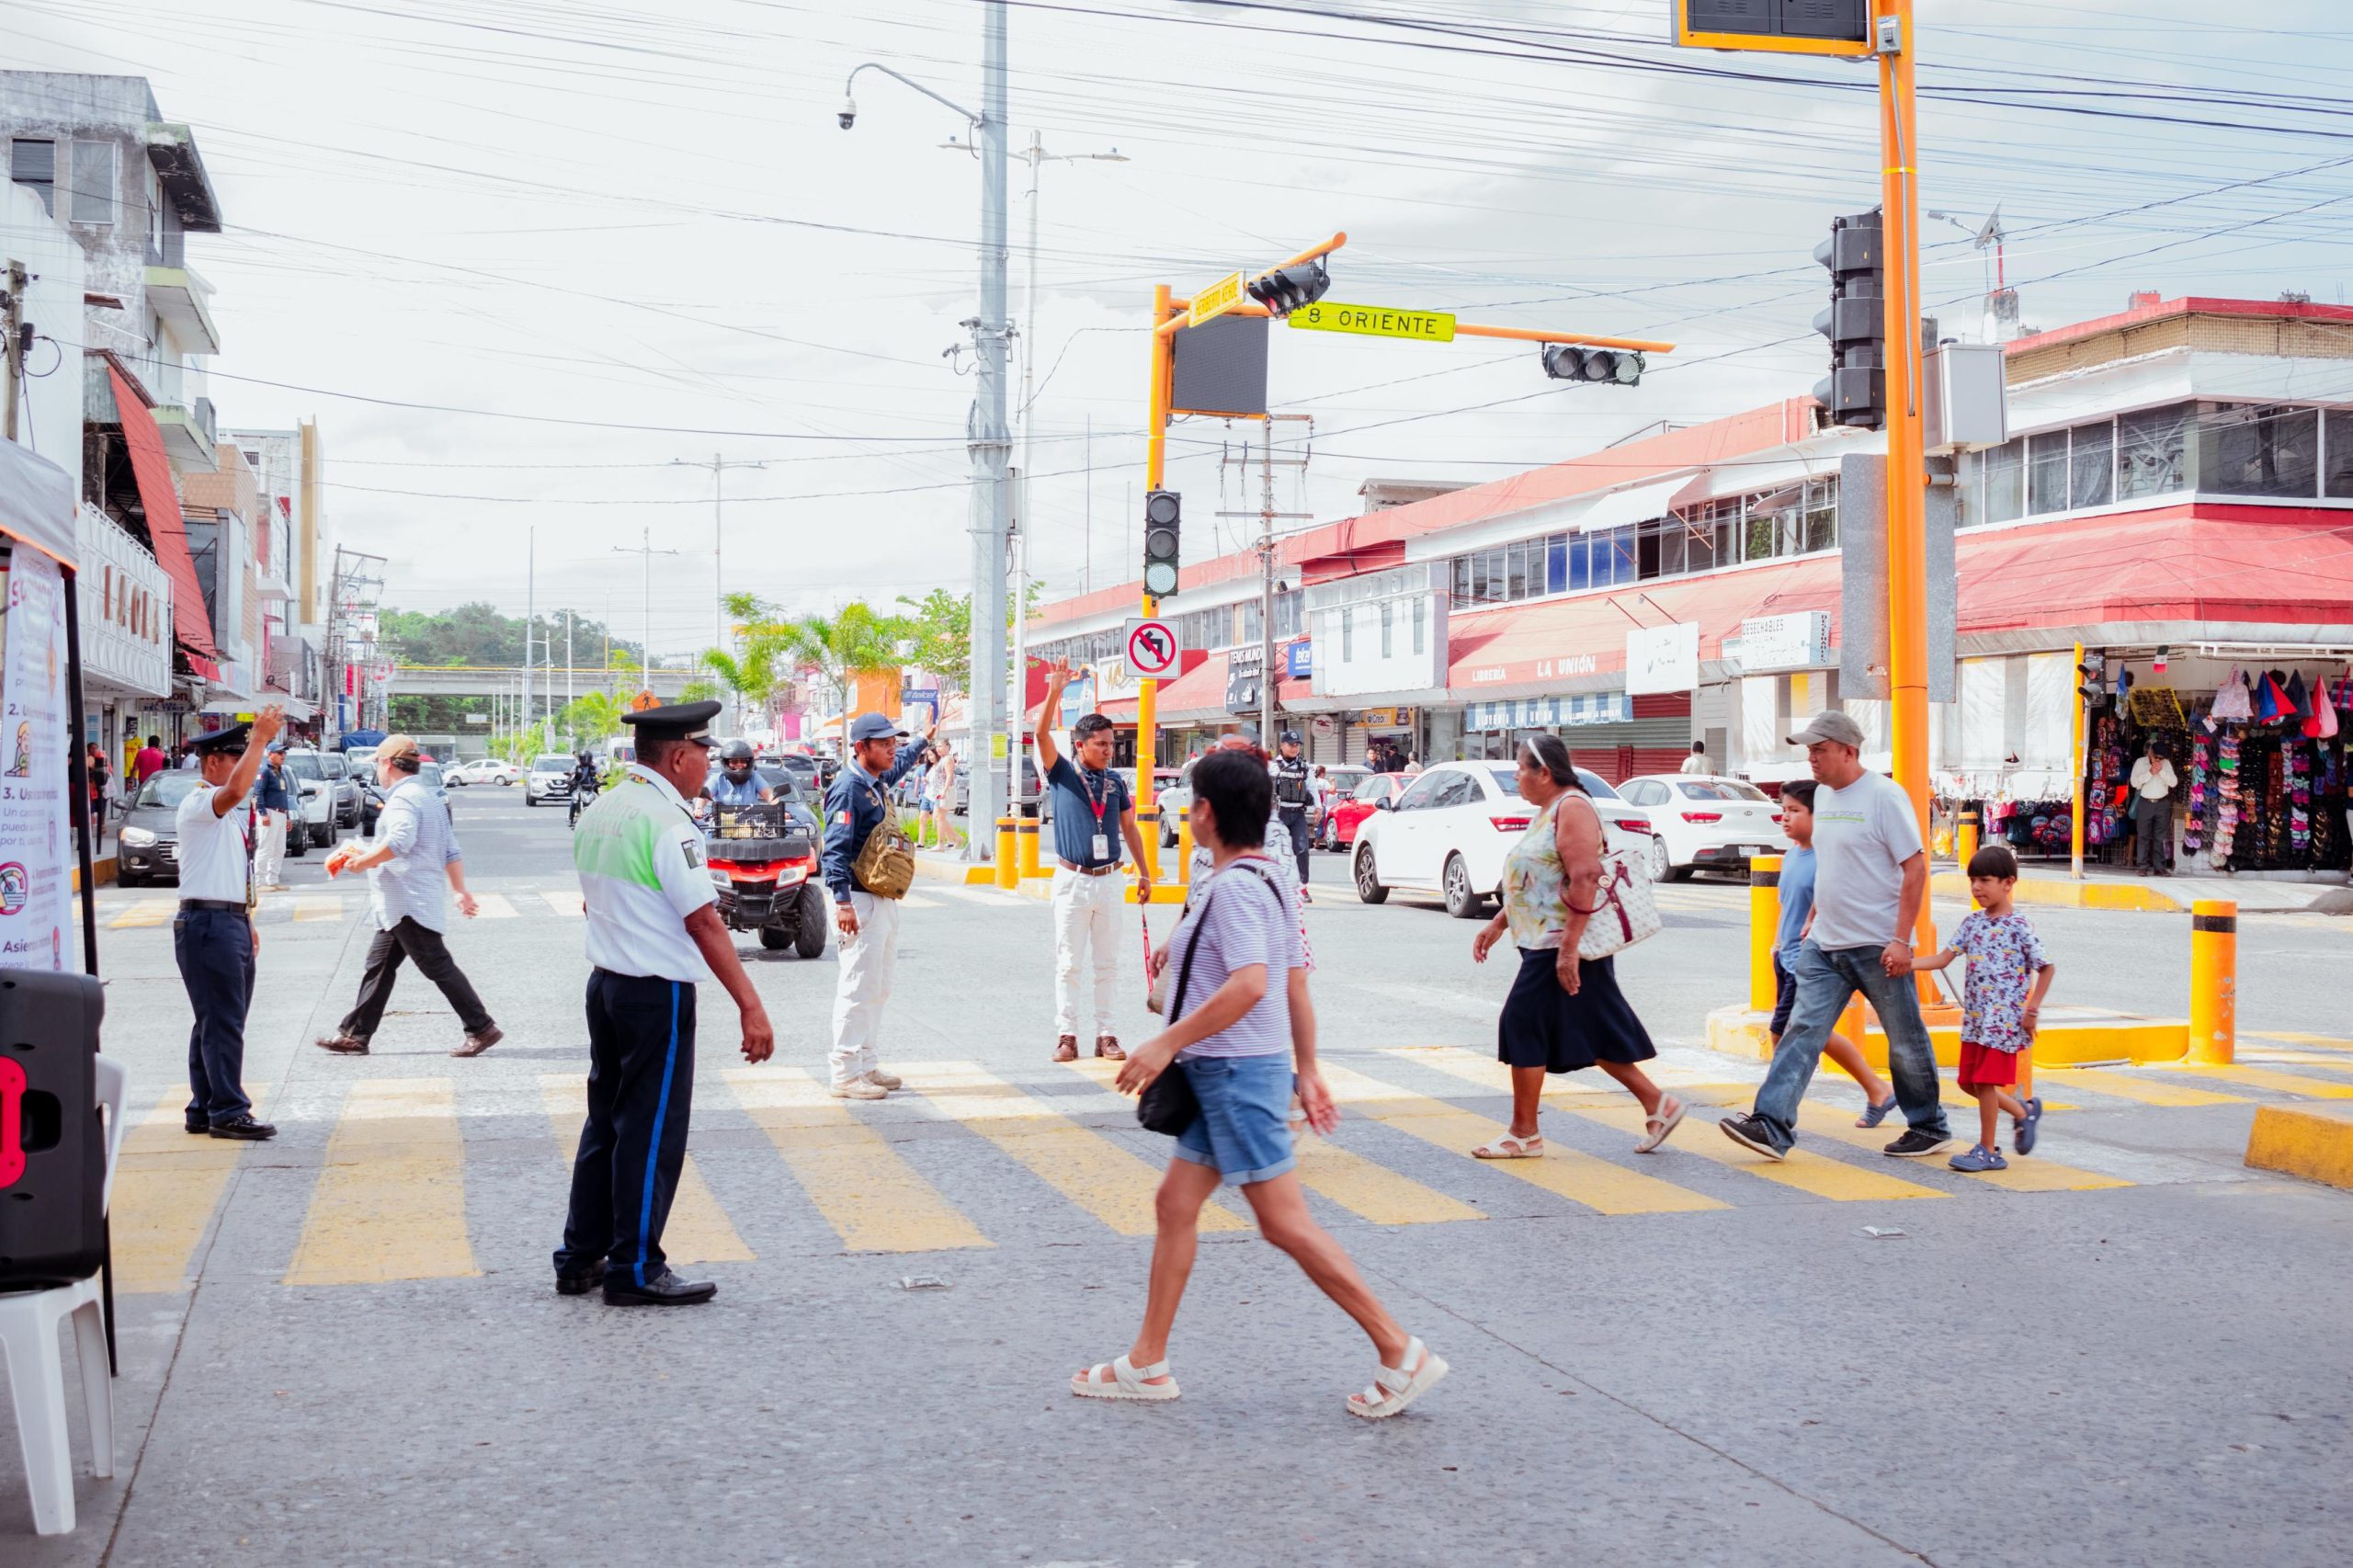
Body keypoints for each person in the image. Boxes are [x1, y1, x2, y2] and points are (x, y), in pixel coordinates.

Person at [1079, 747, 1449, 1419]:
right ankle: (1147, 1362)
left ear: (1208, 814)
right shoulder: (1266, 878)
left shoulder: (1236, 889)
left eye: (1191, 804)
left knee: (1284, 1224)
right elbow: (1292, 983)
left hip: (1234, 1073)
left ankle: (1400, 1350)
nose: (1187, 814)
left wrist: (1167, 1040)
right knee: (1174, 1206)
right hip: (1230, 1073)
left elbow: (1254, 984)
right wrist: (1306, 1070)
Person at [555, 700, 776, 1306]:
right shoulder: (669, 822)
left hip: (606, 986)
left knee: (606, 1125)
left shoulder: (603, 809)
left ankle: (581, 1258)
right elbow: (704, 923)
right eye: (703, 752)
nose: (710, 763)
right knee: (652, 1133)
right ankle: (635, 1268)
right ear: (678, 756)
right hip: (655, 994)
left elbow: (592, 900)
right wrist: (750, 1007)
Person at [1719, 711, 1951, 1163]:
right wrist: (1813, 916)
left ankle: (1928, 1125)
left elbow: (1915, 867)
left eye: (1819, 749)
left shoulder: (1885, 796)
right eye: (1809, 750)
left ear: (1849, 751)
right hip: (1825, 944)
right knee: (1801, 1032)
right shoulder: (1823, 796)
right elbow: (1832, 862)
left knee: (1905, 1041)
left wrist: (1902, 940)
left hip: (1878, 944)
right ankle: (1771, 1125)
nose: (1812, 758)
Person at [1469, 733, 1684, 1158]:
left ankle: (1524, 1133)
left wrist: (1568, 950)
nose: (1516, 776)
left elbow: (1585, 876)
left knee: (1521, 1023)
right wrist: (1497, 923)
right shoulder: (1550, 808)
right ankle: (1659, 1104)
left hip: (1562, 946)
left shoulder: (1573, 807)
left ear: (1544, 773)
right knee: (1590, 1030)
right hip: (1546, 943)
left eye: (1520, 768)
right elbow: (1538, 880)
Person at [314, 734, 501, 1059]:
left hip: (408, 902)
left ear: (388, 764)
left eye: (378, 765)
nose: (377, 772)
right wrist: (459, 890)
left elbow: (400, 841)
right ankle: (356, 1035)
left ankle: (481, 1026)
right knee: (379, 966)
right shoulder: (428, 796)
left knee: (437, 965)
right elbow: (450, 850)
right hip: (403, 902)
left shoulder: (402, 800)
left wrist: (363, 862)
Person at [173, 708, 286, 1141]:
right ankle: (228, 1110)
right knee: (222, 1021)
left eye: (247, 756)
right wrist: (259, 739)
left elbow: (231, 869)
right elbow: (238, 788)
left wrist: (247, 917)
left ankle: (203, 1107)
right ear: (212, 762)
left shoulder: (223, 810)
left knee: (215, 1020)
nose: (244, 766)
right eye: (236, 758)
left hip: (227, 920)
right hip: (207, 924)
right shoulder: (202, 801)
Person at [1906, 845, 2053, 1173]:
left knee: (1985, 1083)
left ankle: (1988, 1150)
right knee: (1967, 1083)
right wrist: (1908, 964)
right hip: (1975, 1020)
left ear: (2008, 883)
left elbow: (2046, 967)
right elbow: (1944, 958)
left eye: (1985, 880)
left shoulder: (2019, 925)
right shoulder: (1972, 922)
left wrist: (2032, 1010)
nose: (1976, 887)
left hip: (2003, 1022)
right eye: (1972, 880)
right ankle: (2022, 1112)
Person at [1036, 666, 1153, 1062]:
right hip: (1073, 881)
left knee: (1108, 963)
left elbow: (1129, 828)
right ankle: (1067, 1034)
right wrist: (1054, 693)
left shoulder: (1116, 782)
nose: (1108, 749)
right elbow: (1040, 736)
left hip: (1110, 880)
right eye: (1100, 743)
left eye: (1111, 743)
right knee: (1069, 963)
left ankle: (1107, 1034)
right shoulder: (1062, 773)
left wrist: (1145, 871)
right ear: (1081, 744)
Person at [823, 710, 936, 1099]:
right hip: (857, 900)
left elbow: (900, 766)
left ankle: (866, 1064)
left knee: (878, 986)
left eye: (894, 742)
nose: (892, 749)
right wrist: (841, 902)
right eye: (884, 743)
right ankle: (844, 1071)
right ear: (860, 748)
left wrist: (922, 740)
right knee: (857, 986)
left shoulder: (873, 782)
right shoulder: (848, 788)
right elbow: (834, 849)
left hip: (881, 898)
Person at [1772, 781, 1896, 1128]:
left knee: (1791, 1034)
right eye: (1784, 810)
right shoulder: (1792, 855)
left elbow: (1827, 906)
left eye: (1795, 811)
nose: (1786, 818)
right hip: (1785, 956)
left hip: (1808, 960)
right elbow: (1788, 906)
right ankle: (1877, 1090)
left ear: (1818, 816)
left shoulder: (1823, 860)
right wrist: (1777, 944)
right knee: (1806, 1033)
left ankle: (1774, 1111)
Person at [1270, 731, 1314, 901]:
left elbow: (1311, 788)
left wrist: (1317, 807)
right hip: (1278, 814)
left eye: (1297, 745)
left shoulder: (1304, 766)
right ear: (1282, 745)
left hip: (1297, 814)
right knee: (1275, 851)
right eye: (1291, 745)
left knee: (1302, 850)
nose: (1295, 748)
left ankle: (1302, 888)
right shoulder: (1272, 766)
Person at [2129, 738, 2177, 877]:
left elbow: (2174, 783)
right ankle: (2142, 867)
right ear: (2150, 753)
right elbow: (2134, 783)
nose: (2158, 759)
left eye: (2161, 758)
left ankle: (2159, 867)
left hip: (2162, 803)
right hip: (2145, 802)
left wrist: (2161, 771)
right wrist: (2150, 772)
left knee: (2160, 837)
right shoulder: (2140, 763)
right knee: (2143, 836)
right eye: (2156, 757)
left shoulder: (2166, 764)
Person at [252, 742, 292, 892]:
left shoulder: (280, 772)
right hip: (269, 812)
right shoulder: (265, 771)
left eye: (284, 753)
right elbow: (258, 793)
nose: (283, 756)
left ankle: (273, 880)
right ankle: (260, 882)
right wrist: (263, 813)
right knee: (266, 848)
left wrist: (287, 816)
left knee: (279, 848)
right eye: (280, 753)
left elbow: (283, 795)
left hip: (280, 813)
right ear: (270, 754)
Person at [924, 742, 960, 849]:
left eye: (940, 746)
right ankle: (957, 838)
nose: (938, 749)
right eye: (937, 747)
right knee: (938, 817)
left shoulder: (948, 759)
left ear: (947, 747)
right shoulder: (942, 759)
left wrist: (944, 791)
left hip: (944, 791)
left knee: (939, 817)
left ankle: (940, 844)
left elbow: (949, 776)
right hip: (938, 792)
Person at [85, 743, 111, 841]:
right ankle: (90, 831)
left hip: (101, 790)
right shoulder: (87, 759)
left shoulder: (103, 759)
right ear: (88, 749)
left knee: (102, 809)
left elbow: (109, 772)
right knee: (91, 810)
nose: (94, 750)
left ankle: (102, 825)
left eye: (96, 748)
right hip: (91, 790)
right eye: (92, 748)